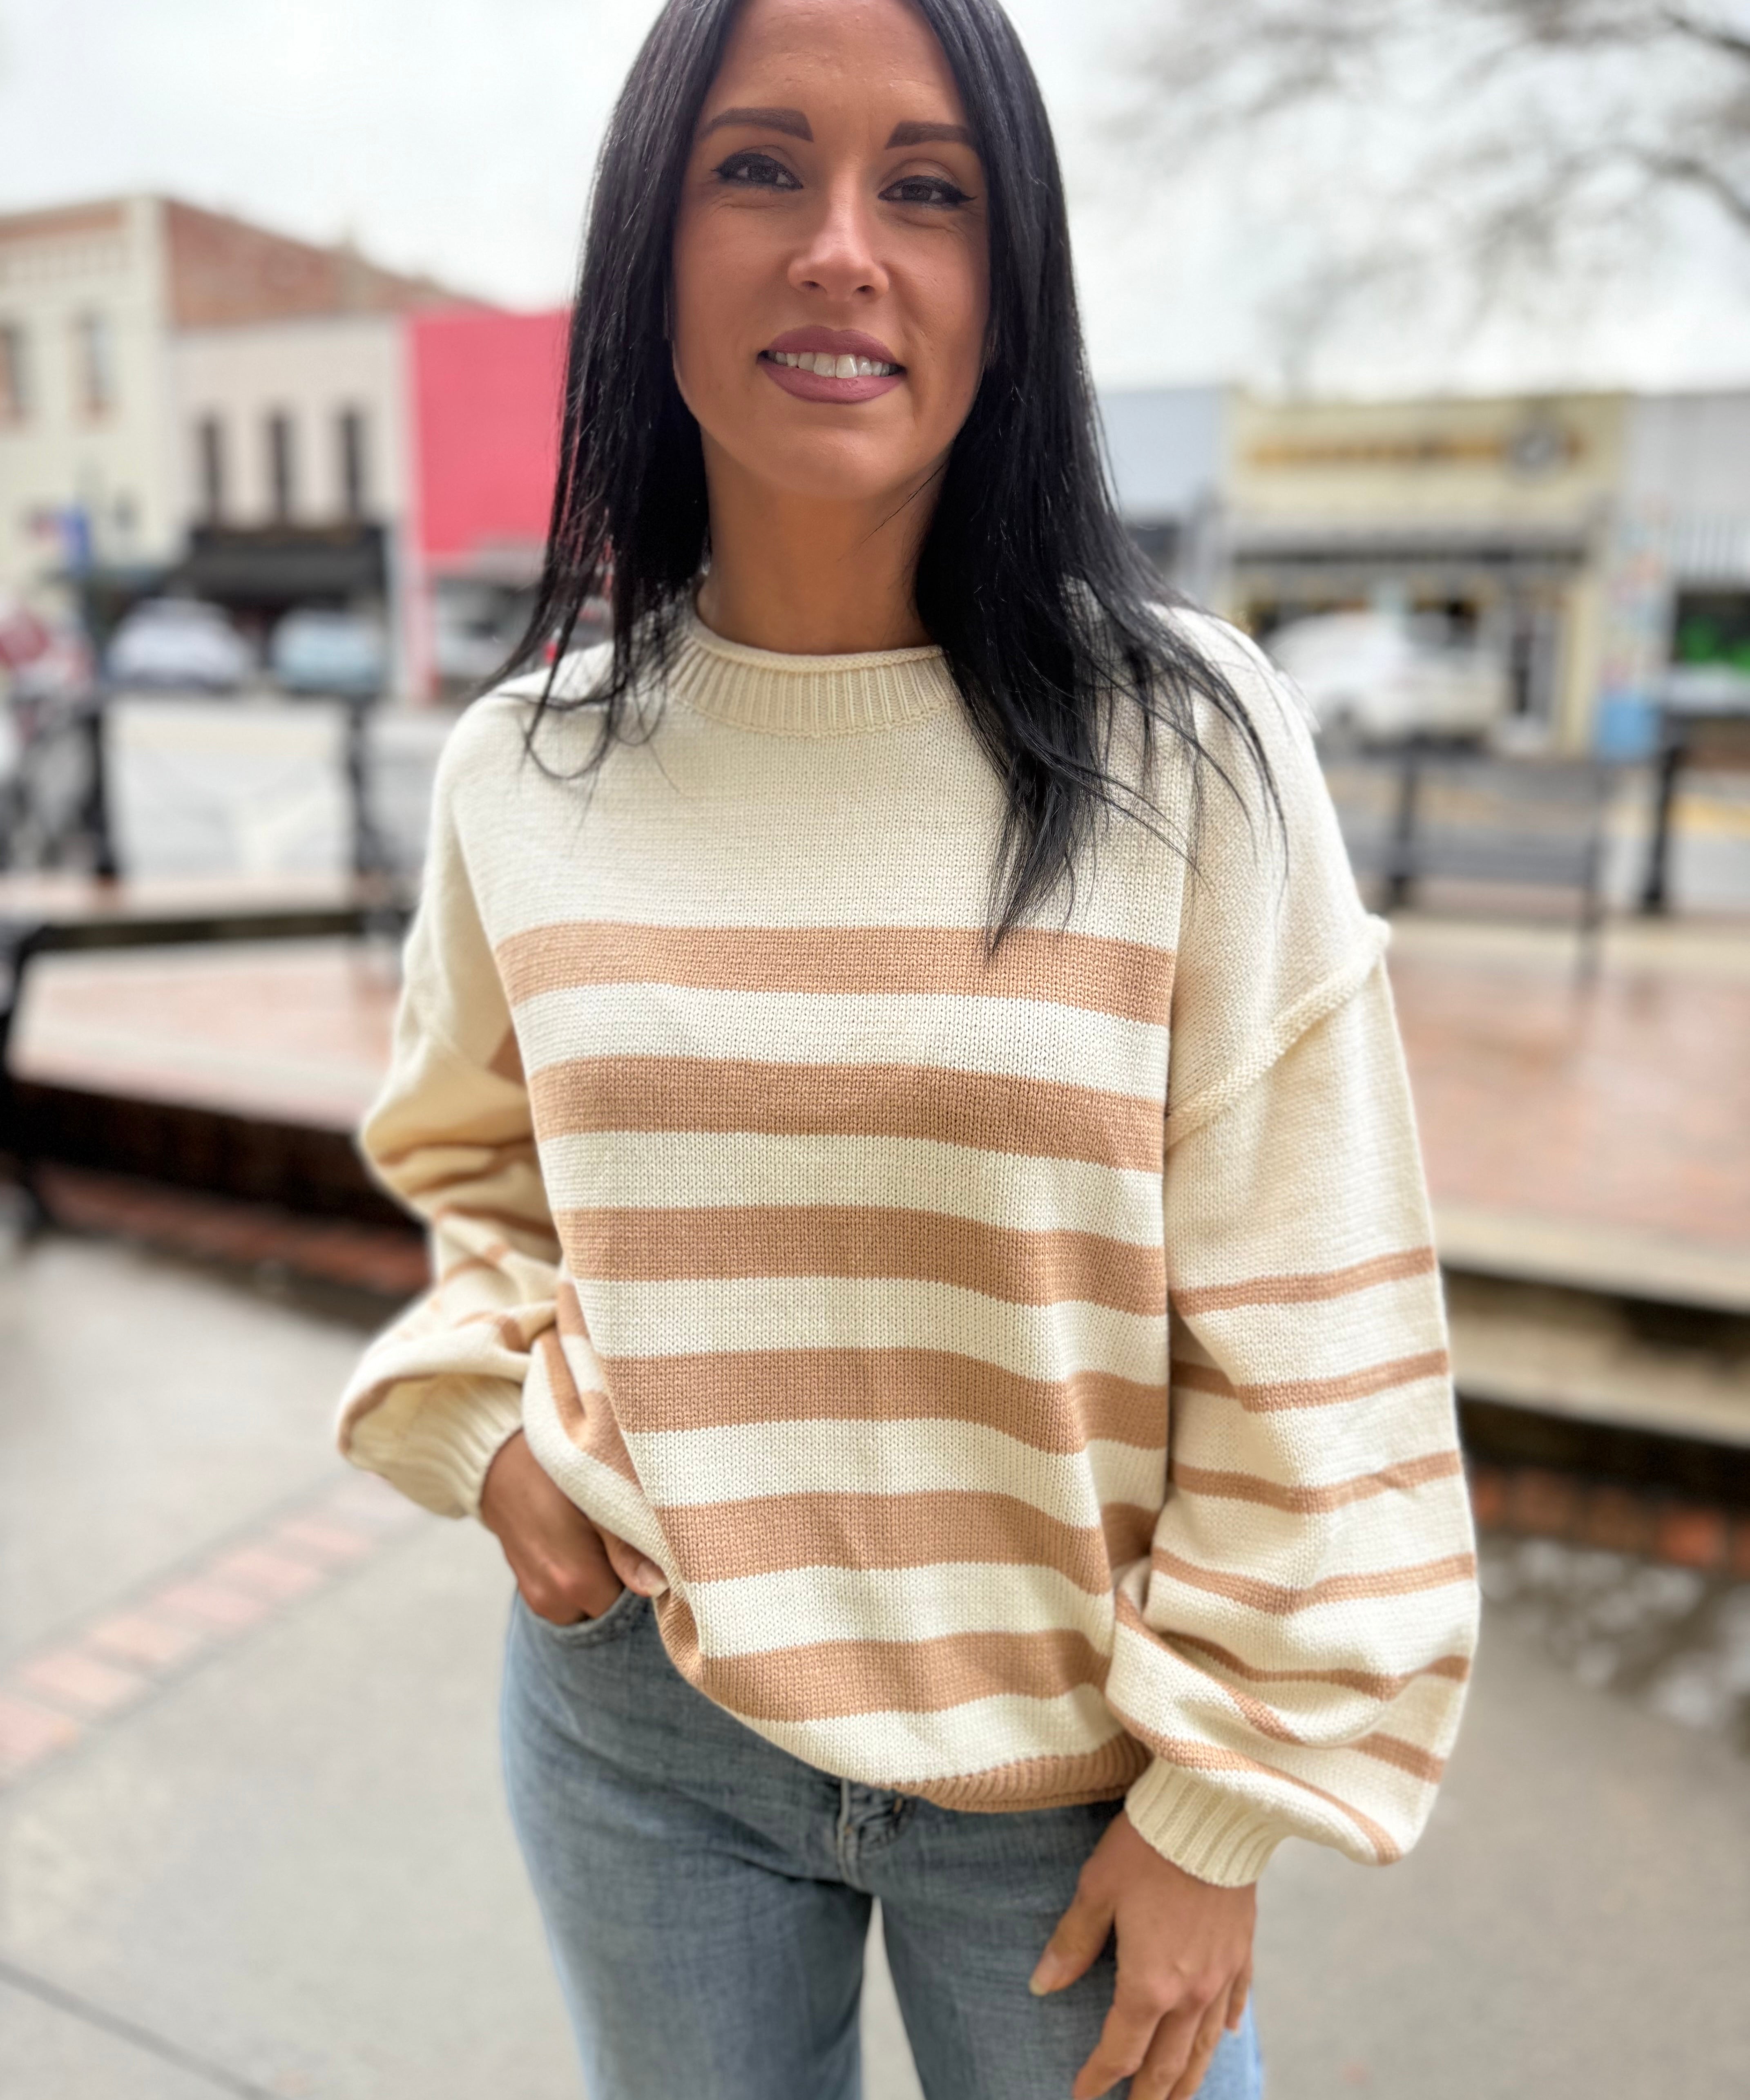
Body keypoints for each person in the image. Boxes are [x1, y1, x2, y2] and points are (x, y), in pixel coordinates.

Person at [336, 1, 1479, 2095]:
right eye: (759, 167)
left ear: (1010, 276)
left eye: (928, 189)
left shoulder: (1187, 748)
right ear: (651, 244)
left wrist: (1222, 1799)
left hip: (1082, 1773)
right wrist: (483, 1428)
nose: (841, 248)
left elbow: (1319, 1307)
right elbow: (469, 1168)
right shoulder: (525, 767)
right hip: (642, 1725)